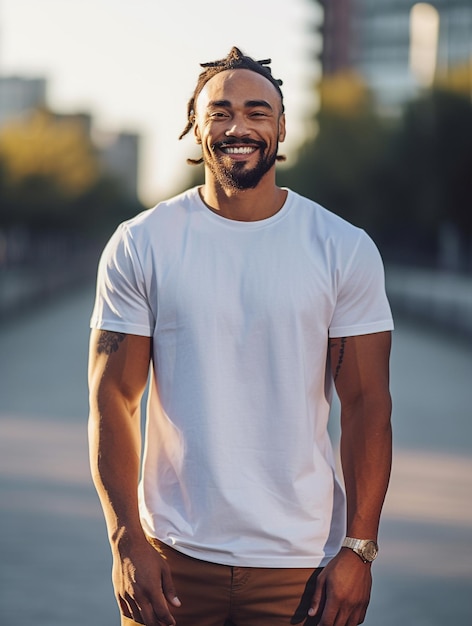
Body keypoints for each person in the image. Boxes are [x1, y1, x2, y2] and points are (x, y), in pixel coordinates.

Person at [88, 46, 393, 626]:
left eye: (258, 111)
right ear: (195, 127)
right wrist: (125, 538)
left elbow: (366, 404)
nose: (238, 125)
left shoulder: (342, 247)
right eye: (220, 111)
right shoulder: (141, 243)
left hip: (303, 566)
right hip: (171, 559)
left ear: (281, 127)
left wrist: (360, 549)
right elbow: (112, 398)